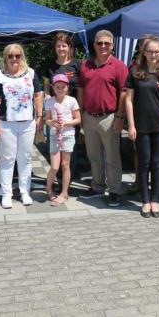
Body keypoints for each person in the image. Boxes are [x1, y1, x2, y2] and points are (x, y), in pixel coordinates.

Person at [125, 35, 159, 218]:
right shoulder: (136, 72)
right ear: (144, 52)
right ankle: (145, 201)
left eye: (157, 51)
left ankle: (155, 201)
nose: (153, 54)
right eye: (150, 51)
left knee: (158, 163)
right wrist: (131, 125)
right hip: (141, 125)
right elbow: (128, 100)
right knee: (144, 163)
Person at [78, 29, 129, 207]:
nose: (103, 46)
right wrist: (80, 113)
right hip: (89, 116)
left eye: (107, 43)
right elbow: (81, 90)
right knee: (94, 155)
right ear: (94, 45)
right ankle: (97, 186)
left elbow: (124, 93)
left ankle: (114, 190)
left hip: (109, 117)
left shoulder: (118, 66)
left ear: (113, 45)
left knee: (112, 157)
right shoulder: (86, 65)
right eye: (99, 43)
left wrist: (120, 117)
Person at [0, 43, 43, 209]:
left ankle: (25, 192)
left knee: (25, 159)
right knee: (7, 159)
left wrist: (39, 117)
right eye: (10, 56)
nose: (14, 59)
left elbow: (38, 95)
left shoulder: (31, 73)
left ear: (22, 57)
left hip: (27, 123)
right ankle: (6, 194)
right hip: (6, 124)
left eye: (17, 55)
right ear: (5, 57)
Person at [42, 32, 82, 184]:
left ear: (69, 47)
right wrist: (46, 98)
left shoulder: (77, 64)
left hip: (71, 112)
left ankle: (68, 181)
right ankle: (57, 177)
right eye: (58, 46)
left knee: (70, 147)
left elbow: (82, 88)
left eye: (64, 45)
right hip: (53, 112)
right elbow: (46, 85)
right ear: (55, 48)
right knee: (54, 146)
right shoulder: (50, 64)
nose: (61, 48)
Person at [44, 74, 81, 206]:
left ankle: (64, 193)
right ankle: (48, 190)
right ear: (53, 87)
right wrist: (52, 123)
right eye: (57, 87)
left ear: (67, 88)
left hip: (68, 136)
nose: (60, 89)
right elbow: (47, 120)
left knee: (66, 165)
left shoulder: (72, 100)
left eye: (63, 87)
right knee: (54, 166)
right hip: (54, 136)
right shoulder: (49, 101)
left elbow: (78, 119)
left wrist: (66, 123)